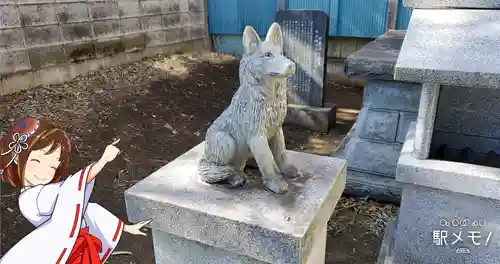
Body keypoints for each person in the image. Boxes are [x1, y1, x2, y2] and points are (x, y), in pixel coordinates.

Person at [0, 117, 150, 264]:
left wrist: (125, 227)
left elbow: (87, 208)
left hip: (74, 246)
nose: (45, 171)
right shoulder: (32, 198)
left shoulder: (42, 192)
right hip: (65, 250)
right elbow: (71, 190)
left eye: (53, 166)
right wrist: (102, 161)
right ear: (17, 161)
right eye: (37, 161)